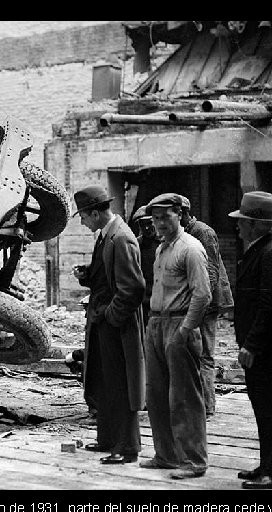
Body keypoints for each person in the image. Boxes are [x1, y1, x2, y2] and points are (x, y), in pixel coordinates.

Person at [71, 185, 146, 465]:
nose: (82, 222)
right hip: (102, 324)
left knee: (120, 385)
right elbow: (108, 278)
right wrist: (87, 276)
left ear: (94, 213)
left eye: (83, 216)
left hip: (116, 327)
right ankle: (106, 439)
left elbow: (132, 289)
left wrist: (110, 317)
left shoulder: (121, 238)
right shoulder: (105, 237)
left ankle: (126, 447)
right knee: (103, 383)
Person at [140, 193, 212, 479]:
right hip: (156, 324)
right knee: (156, 394)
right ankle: (166, 455)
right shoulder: (161, 249)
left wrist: (185, 330)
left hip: (179, 325)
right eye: (155, 218)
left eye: (165, 217)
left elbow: (203, 294)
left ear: (180, 215)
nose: (159, 224)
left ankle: (194, 461)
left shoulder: (191, 249)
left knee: (184, 397)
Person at [228, 191, 272, 489]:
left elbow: (269, 305)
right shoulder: (261, 250)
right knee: (263, 409)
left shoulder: (269, 253)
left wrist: (251, 345)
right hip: (262, 349)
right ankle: (268, 464)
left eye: (243, 221)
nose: (238, 226)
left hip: (266, 351)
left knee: (269, 409)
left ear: (257, 224)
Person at [179, 196, 234, 420]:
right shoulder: (184, 233)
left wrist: (200, 304)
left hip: (206, 303)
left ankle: (208, 407)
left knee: (205, 356)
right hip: (195, 301)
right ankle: (196, 403)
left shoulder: (203, 232)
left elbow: (210, 272)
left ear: (182, 214)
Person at [131, 205, 161, 326]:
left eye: (150, 223)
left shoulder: (165, 244)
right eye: (143, 225)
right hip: (142, 301)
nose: (147, 228)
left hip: (161, 301)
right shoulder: (136, 245)